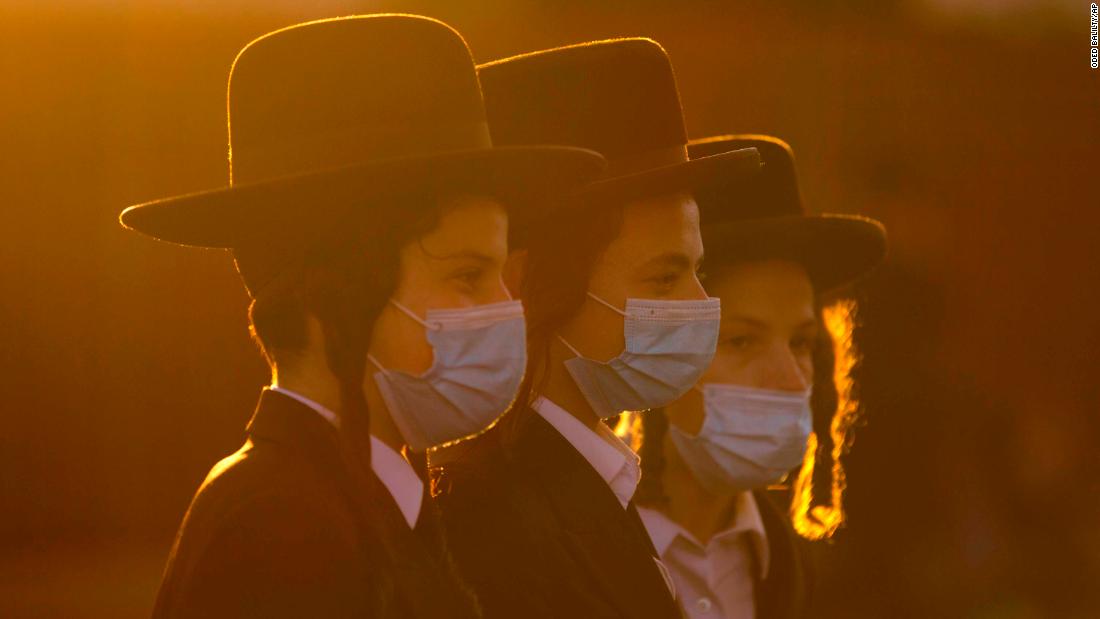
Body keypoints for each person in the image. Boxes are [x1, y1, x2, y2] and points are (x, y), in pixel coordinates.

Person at [118, 15, 604, 619]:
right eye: (466, 275)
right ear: (330, 297)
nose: (507, 308)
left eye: (502, 276)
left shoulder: (369, 496)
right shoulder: (280, 525)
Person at [430, 39, 761, 619]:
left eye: (697, 271)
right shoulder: (486, 511)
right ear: (529, 284)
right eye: (663, 279)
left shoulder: (597, 477)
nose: (701, 303)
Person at [627, 135, 886, 619]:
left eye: (800, 343)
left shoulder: (802, 571)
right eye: (742, 341)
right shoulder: (578, 549)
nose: (789, 379)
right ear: (656, 347)